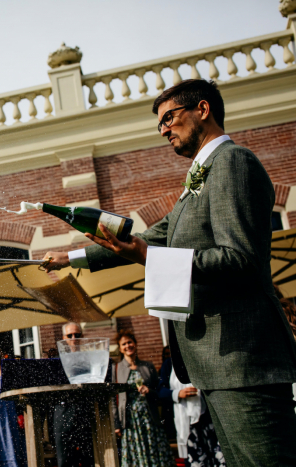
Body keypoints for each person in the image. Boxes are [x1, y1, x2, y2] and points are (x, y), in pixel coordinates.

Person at [44, 78, 296, 465]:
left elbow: (240, 257)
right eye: (159, 124)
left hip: (244, 360)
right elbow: (147, 237)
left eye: (169, 118)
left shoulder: (232, 162)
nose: (164, 129)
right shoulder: (198, 180)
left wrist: (152, 257)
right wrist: (73, 257)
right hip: (219, 364)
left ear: (203, 110)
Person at [53, 322, 114, 467]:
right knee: (65, 463)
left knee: (89, 461)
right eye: (70, 335)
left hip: (86, 417)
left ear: (83, 337)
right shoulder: (56, 361)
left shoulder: (91, 359)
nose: (74, 338)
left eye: (77, 335)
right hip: (63, 418)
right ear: (63, 338)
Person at [112, 330, 173, 467]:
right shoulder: (116, 369)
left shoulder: (147, 366)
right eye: (124, 344)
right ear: (120, 348)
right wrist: (116, 424)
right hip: (130, 420)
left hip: (149, 417)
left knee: (155, 451)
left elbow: (159, 392)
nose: (128, 345)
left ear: (135, 344)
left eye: (130, 342)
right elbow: (113, 400)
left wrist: (149, 390)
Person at [158, 360, 225, 466]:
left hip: (207, 417)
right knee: (196, 460)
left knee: (218, 456)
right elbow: (161, 391)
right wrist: (178, 393)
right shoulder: (169, 364)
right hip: (187, 421)